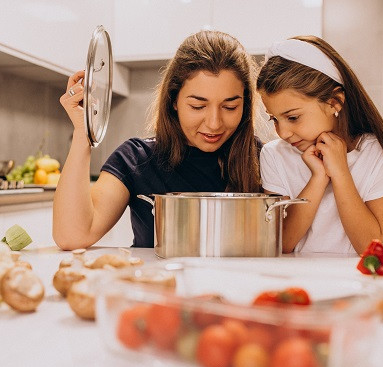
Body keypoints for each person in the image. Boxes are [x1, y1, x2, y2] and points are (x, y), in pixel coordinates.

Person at [53, 30, 263, 250]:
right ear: (174, 100)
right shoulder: (136, 158)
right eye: (198, 106)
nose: (214, 123)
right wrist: (82, 131)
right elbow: (72, 237)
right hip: (157, 284)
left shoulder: (263, 159)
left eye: (230, 107)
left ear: (245, 105)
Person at [257, 35, 383, 255]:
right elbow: (281, 243)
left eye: (293, 117)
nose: (282, 132)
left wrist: (340, 172)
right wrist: (318, 178)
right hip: (296, 283)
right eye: (274, 119)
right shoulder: (274, 155)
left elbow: (370, 249)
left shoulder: (377, 153)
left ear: (335, 102)